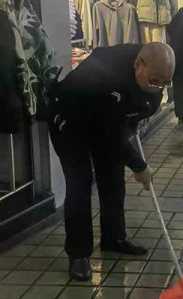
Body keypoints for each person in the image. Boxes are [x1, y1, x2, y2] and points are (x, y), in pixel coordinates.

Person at [49, 42, 175, 281]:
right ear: (138, 65)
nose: (158, 88)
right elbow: (110, 134)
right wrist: (139, 166)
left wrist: (133, 117)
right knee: (80, 183)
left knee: (113, 177)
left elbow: (127, 118)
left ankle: (114, 237)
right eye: (155, 81)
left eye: (165, 83)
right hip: (70, 118)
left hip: (105, 119)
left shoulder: (154, 68)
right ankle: (79, 253)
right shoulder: (107, 77)